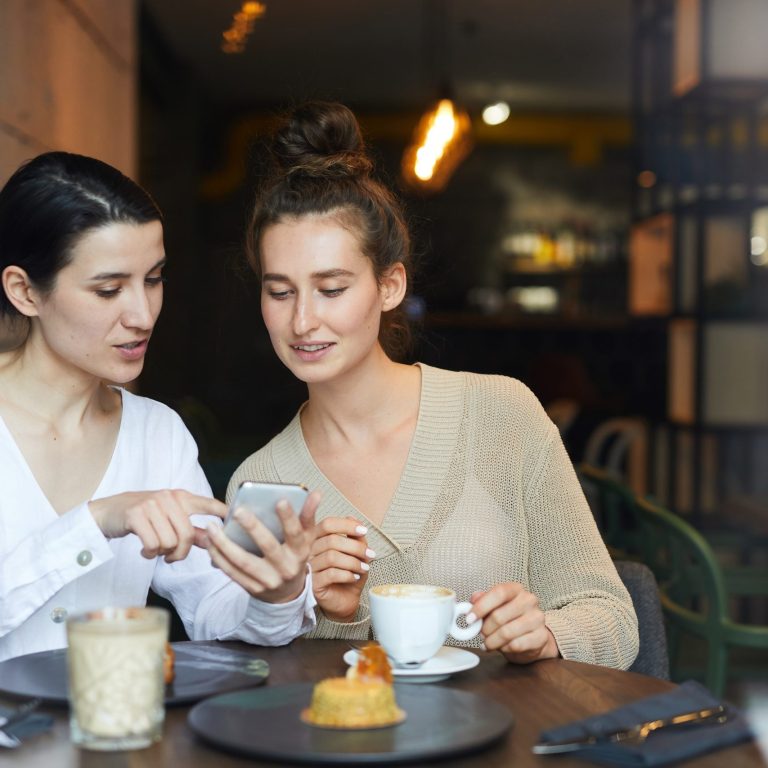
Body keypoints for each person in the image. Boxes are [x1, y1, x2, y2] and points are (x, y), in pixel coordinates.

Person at [228, 101, 639, 669]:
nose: (302, 321)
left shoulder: (500, 413)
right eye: (280, 292)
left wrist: (544, 634)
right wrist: (337, 618)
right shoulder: (261, 486)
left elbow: (612, 616)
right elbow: (272, 684)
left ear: (390, 284)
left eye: (332, 288)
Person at [0, 151, 320, 662]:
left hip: (116, 739)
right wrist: (98, 521)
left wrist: (274, 594)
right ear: (24, 291)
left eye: (153, 279)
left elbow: (216, 614)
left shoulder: (157, 434)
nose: (143, 314)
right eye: (109, 290)